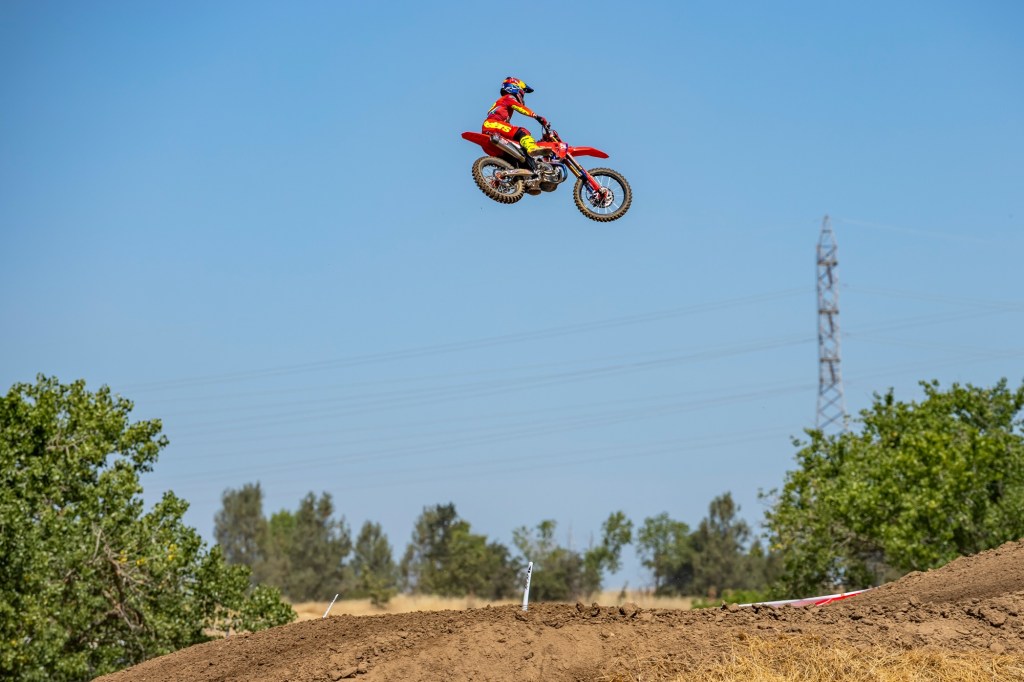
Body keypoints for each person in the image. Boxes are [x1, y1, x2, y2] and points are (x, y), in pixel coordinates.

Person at [482, 77, 549, 159]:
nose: (522, 94)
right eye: (522, 91)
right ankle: (532, 148)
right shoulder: (508, 97)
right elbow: (520, 108)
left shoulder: (502, 101)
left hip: (490, 128)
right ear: (515, 87)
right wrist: (536, 116)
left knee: (516, 144)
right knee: (522, 132)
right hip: (493, 124)